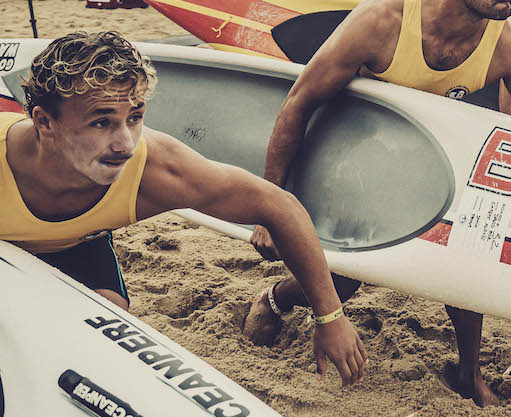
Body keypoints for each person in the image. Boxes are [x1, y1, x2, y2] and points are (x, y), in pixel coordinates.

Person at [245, 0, 511, 407]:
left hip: (427, 163)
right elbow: (299, 101)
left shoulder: (506, 43)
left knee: (465, 253)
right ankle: (276, 298)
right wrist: (272, 205)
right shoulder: (384, 21)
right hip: (352, 153)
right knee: (352, 273)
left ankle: (469, 373)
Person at [1, 31, 367, 387]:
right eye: (101, 122)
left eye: (135, 117)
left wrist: (330, 316)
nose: (125, 144)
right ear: (45, 122)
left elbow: (278, 206)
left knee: (105, 323)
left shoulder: (154, 170)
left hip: (74, 243)